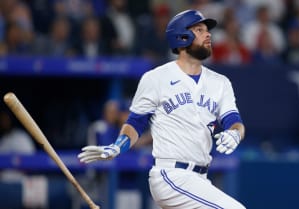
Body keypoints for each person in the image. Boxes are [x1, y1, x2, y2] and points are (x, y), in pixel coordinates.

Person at [78, 9, 246, 209]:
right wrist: (118, 146)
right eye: (199, 30)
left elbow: (234, 121)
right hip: (170, 175)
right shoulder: (156, 78)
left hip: (200, 179)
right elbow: (135, 122)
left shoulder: (220, 83)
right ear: (182, 37)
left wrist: (235, 133)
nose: (208, 34)